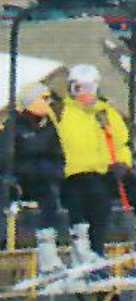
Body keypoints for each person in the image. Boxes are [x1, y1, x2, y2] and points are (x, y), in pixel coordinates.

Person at [51, 64, 132, 266]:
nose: (85, 94)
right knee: (98, 198)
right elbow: (54, 145)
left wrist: (123, 163)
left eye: (89, 88)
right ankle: (95, 252)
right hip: (77, 173)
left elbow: (121, 142)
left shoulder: (105, 112)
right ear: (71, 88)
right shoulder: (63, 113)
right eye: (79, 88)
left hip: (107, 170)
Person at [0, 82, 67, 273]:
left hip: (44, 179)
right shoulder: (16, 125)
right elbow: (4, 155)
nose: (49, 103)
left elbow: (58, 153)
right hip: (22, 179)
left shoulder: (50, 126)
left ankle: (50, 252)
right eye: (44, 98)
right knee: (44, 200)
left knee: (52, 202)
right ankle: (34, 252)